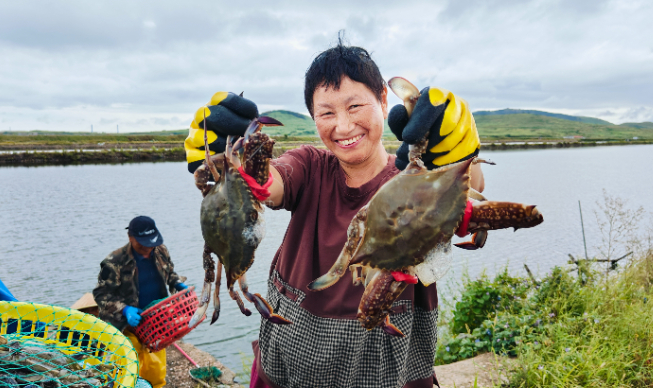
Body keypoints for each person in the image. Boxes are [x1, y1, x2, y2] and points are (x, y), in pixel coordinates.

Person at [184, 41, 484, 388]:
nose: (343, 126)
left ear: (383, 102)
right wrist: (228, 163)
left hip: (389, 369)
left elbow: (467, 193)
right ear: (313, 119)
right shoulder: (310, 166)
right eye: (326, 113)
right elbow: (269, 182)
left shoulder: (415, 180)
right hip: (286, 365)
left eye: (355, 106)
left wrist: (460, 160)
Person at [93, 216, 188, 388]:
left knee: (156, 370)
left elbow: (170, 274)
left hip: (155, 321)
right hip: (125, 325)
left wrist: (177, 283)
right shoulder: (114, 262)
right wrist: (125, 310)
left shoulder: (160, 251)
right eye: (142, 244)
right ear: (130, 237)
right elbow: (101, 295)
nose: (147, 249)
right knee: (127, 366)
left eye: (151, 244)